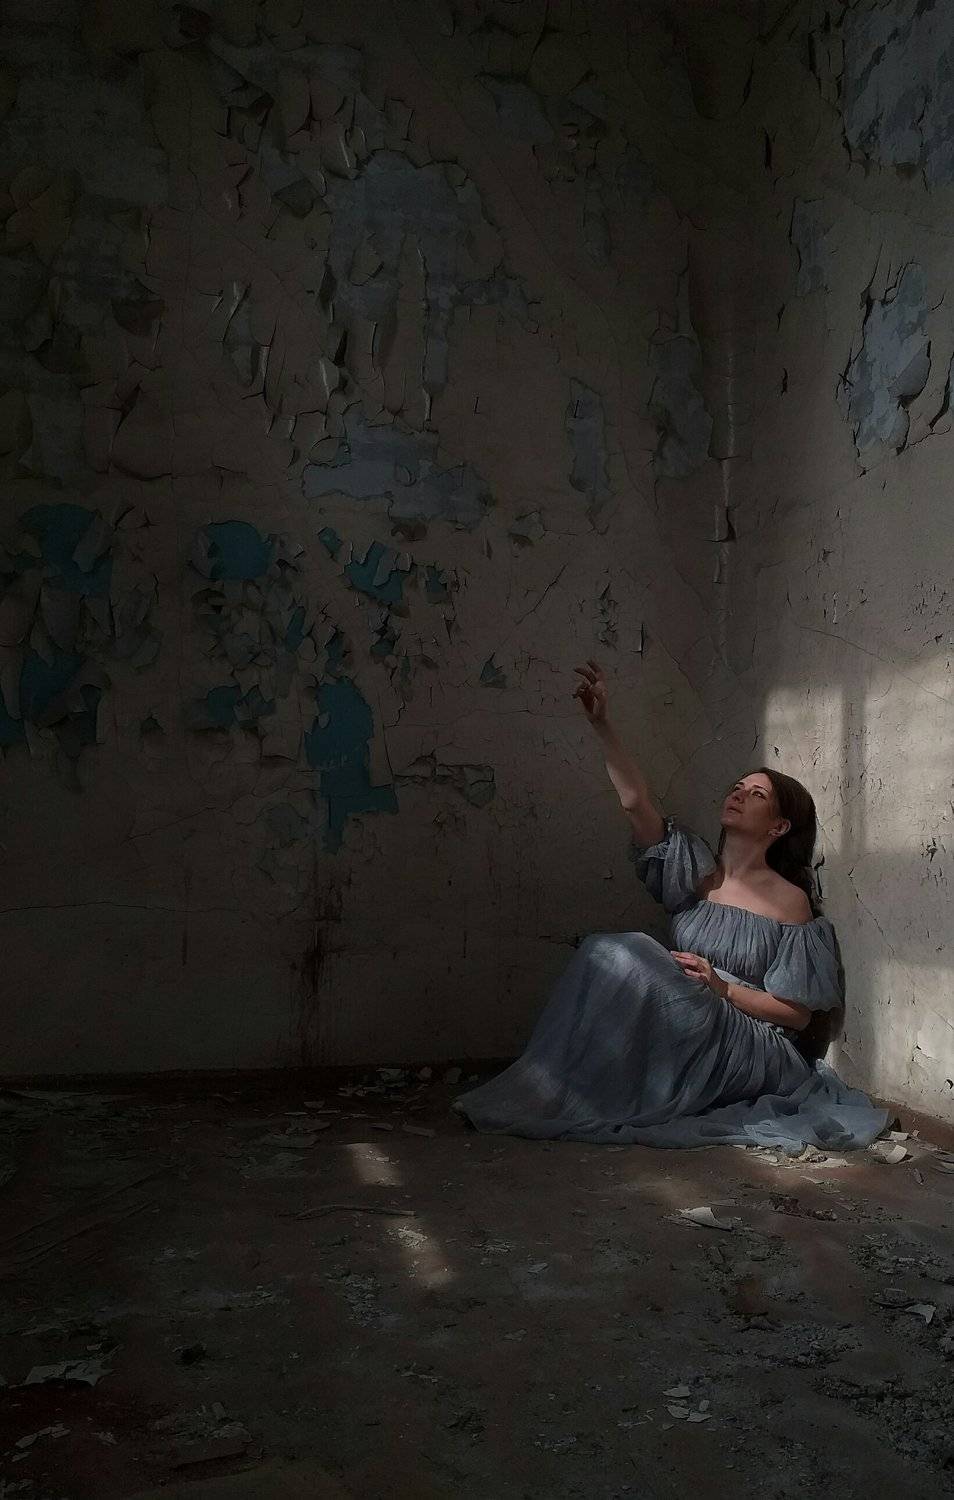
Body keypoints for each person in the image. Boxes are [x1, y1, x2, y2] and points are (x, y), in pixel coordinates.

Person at [453, 660, 888, 1151]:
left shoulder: (789, 901)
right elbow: (635, 804)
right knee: (605, 952)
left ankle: (571, 1096)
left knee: (629, 953)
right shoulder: (695, 871)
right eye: (737, 787)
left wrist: (721, 987)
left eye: (756, 794)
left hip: (751, 1041)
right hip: (690, 1016)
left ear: (779, 826)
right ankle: (554, 1090)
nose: (739, 795)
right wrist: (602, 725)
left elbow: (799, 1017)